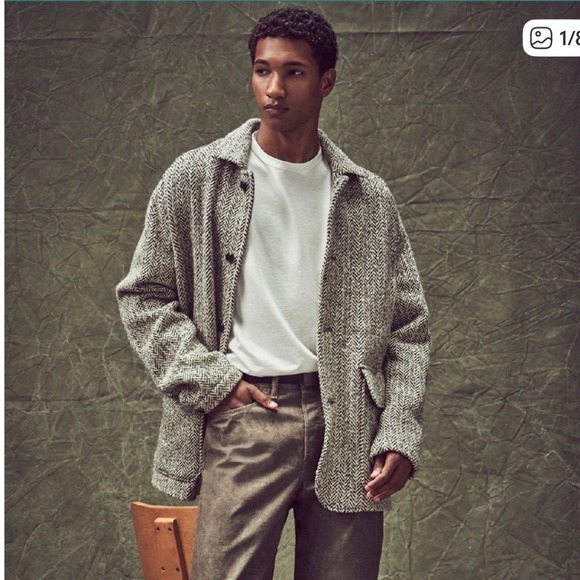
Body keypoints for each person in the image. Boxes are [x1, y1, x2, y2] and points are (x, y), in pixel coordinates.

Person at [117, 6, 430, 580]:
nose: (274, 88)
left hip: (350, 424)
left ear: (326, 81)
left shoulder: (368, 197)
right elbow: (144, 296)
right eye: (262, 70)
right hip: (248, 417)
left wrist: (400, 428)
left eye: (294, 72)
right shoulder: (197, 179)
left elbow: (408, 327)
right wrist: (215, 383)